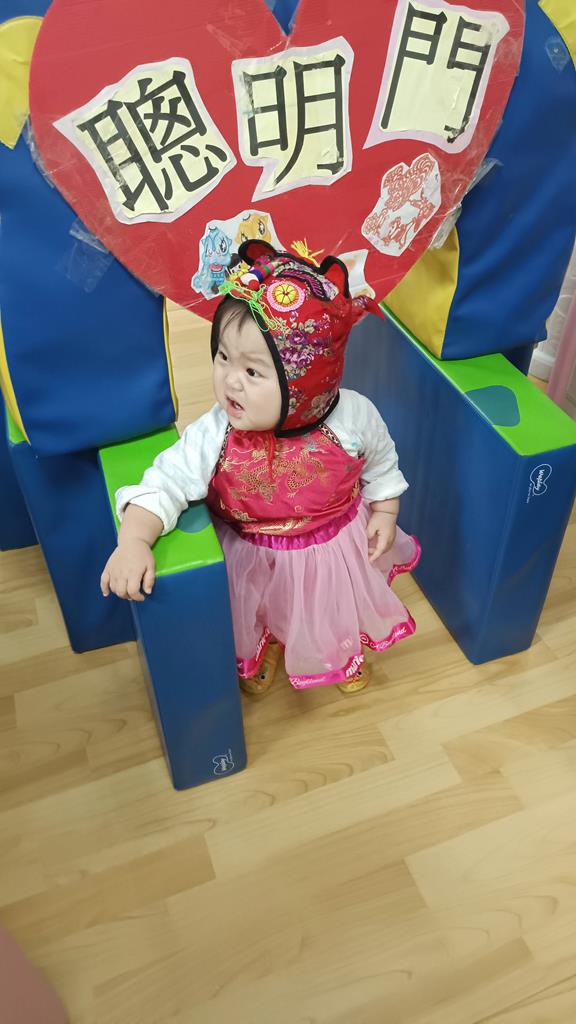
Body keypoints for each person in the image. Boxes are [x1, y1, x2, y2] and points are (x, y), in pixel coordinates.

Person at [101, 241, 421, 695]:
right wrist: (134, 540)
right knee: (261, 605)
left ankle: (339, 646)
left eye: (253, 372)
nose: (230, 380)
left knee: (328, 604)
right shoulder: (216, 432)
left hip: (332, 548)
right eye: (223, 357)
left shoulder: (352, 417)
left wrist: (385, 511)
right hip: (252, 551)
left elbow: (382, 463)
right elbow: (166, 482)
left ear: (307, 378)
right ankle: (267, 640)